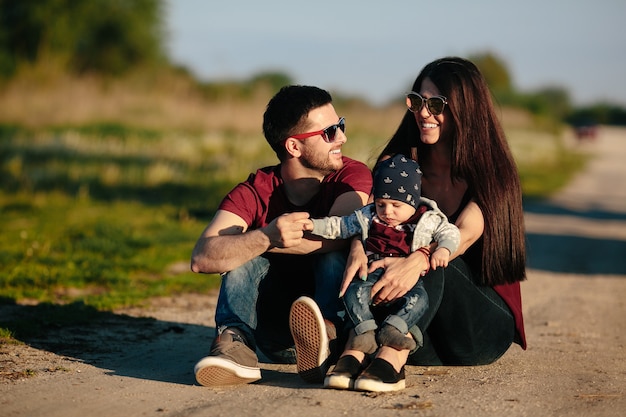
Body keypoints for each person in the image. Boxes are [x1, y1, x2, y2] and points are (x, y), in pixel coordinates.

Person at [294, 57, 527, 392]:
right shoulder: (399, 165)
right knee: (343, 257)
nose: (423, 113)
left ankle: (387, 360)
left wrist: (417, 260)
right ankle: (350, 346)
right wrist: (359, 247)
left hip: (478, 329)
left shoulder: (492, 174)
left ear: (467, 109)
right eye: (417, 101)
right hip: (422, 329)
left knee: (439, 259)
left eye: (435, 104)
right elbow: (370, 218)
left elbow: (464, 233)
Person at [190, 85, 372, 387]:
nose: (342, 137)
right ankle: (235, 347)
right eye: (329, 132)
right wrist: (265, 237)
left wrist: (263, 241)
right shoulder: (255, 190)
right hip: (274, 335)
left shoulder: (350, 176)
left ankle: (327, 338)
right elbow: (201, 258)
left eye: (340, 125)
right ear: (293, 147)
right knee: (244, 249)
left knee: (336, 253)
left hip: (332, 327)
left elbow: (342, 232)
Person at [302, 153, 460, 391]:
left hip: (406, 278)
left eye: (396, 205)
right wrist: (314, 224)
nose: (387, 211)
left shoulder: (427, 218)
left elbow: (451, 232)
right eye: (381, 204)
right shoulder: (368, 216)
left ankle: (393, 330)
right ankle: (364, 333)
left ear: (413, 200)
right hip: (371, 274)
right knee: (353, 293)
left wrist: (443, 250)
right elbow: (341, 225)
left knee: (420, 300)